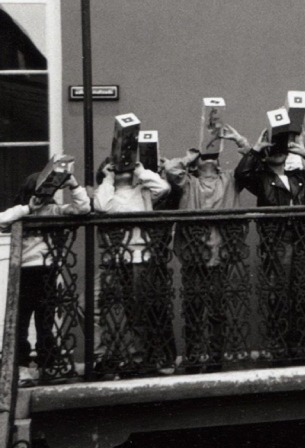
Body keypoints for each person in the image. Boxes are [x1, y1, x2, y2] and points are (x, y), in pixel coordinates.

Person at [235, 133, 305, 360]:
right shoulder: (261, 179)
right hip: (278, 241)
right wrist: (257, 148)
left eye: (279, 148)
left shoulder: (299, 177)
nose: (276, 151)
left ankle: (303, 345)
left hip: (302, 240)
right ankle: (280, 346)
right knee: (279, 294)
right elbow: (242, 173)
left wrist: (304, 152)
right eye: (272, 149)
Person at [162, 125, 249, 372]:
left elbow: (251, 164)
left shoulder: (230, 180)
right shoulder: (187, 183)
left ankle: (215, 360)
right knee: (193, 310)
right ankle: (192, 359)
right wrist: (192, 154)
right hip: (194, 255)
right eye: (203, 158)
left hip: (221, 253)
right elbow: (171, 169)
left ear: (219, 163)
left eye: (212, 156)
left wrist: (237, 139)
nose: (208, 159)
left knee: (218, 311)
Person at [0, 168, 90, 383]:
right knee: (21, 322)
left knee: (45, 320)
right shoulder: (20, 211)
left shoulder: (53, 210)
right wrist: (27, 208)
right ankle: (20, 368)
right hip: (24, 271)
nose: (44, 199)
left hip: (48, 270)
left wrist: (74, 185)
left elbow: (83, 209)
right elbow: (1, 220)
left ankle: (47, 365)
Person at [93, 159, 173, 373]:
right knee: (91, 306)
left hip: (138, 258)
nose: (123, 168)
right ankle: (103, 354)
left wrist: (140, 169)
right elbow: (101, 206)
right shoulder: (105, 191)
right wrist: (108, 178)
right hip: (112, 261)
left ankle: (136, 359)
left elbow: (164, 188)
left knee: (136, 312)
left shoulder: (143, 191)